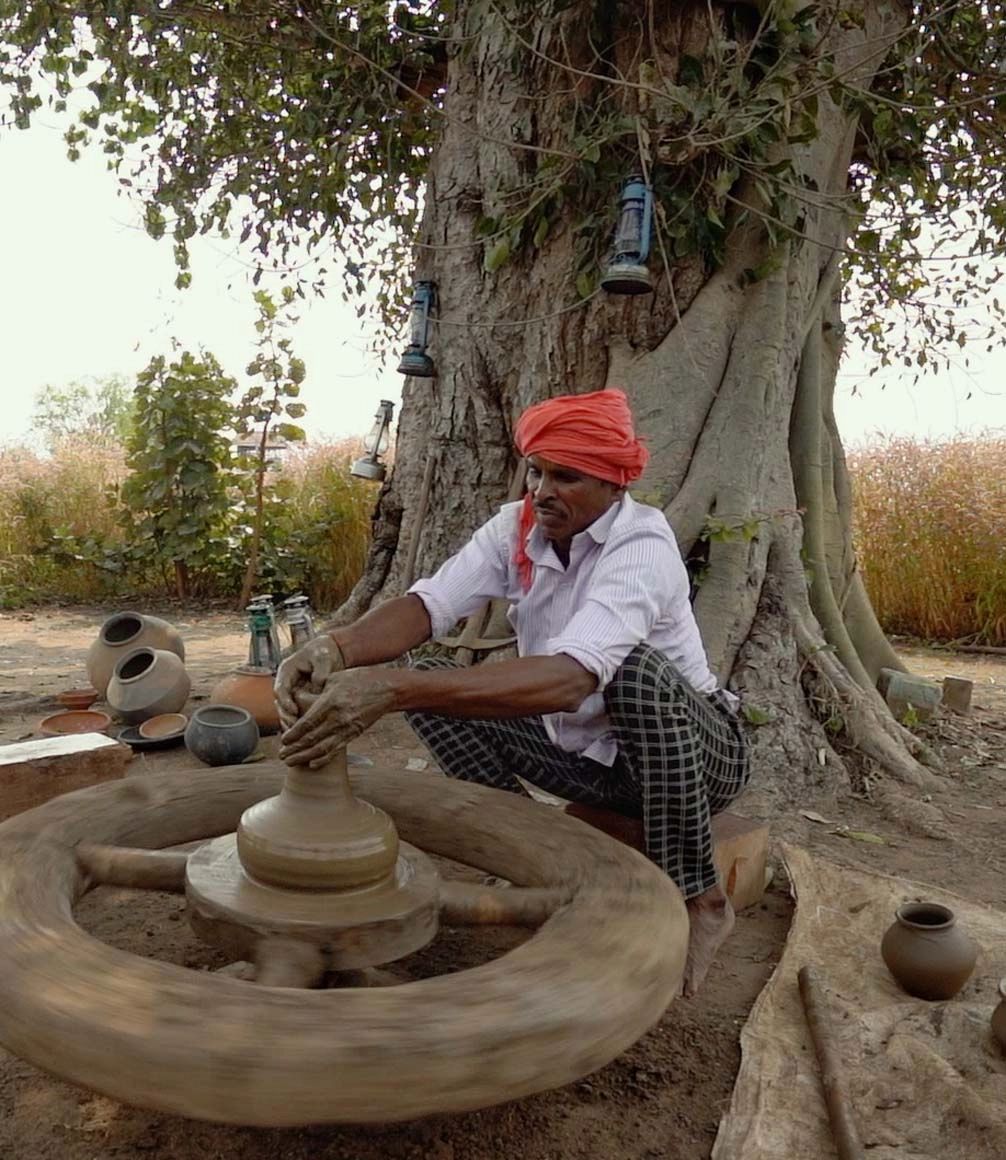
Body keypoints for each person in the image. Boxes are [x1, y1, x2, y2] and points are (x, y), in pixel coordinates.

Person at [275, 388, 750, 997]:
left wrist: (392, 688)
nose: (542, 490)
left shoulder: (641, 547)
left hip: (694, 759)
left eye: (566, 476)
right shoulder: (516, 529)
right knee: (436, 694)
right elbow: (429, 605)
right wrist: (336, 648)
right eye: (536, 470)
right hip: (588, 759)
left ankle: (701, 897)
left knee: (634, 676)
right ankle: (528, 856)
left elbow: (573, 677)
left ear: (612, 486)